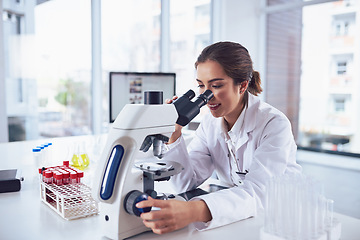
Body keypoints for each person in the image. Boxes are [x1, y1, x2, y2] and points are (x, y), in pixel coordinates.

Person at [136, 41, 302, 234]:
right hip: (236, 214)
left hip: (281, 218)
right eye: (201, 86)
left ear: (242, 85)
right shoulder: (210, 125)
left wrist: (194, 211)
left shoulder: (273, 123)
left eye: (215, 85)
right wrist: (175, 135)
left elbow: (258, 193)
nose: (207, 96)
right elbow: (185, 183)